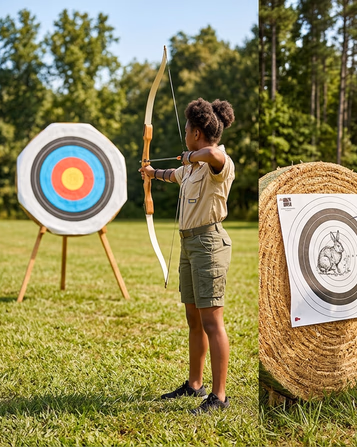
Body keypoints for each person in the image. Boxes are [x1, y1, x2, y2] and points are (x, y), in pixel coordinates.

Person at [139, 98, 236, 414]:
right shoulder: (191, 169)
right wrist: (152, 173)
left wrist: (192, 155)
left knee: (212, 320)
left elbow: (213, 153)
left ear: (196, 133)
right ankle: (195, 384)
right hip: (188, 244)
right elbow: (173, 174)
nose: (185, 135)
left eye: (186, 131)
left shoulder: (217, 163)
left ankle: (219, 397)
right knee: (193, 317)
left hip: (209, 244)